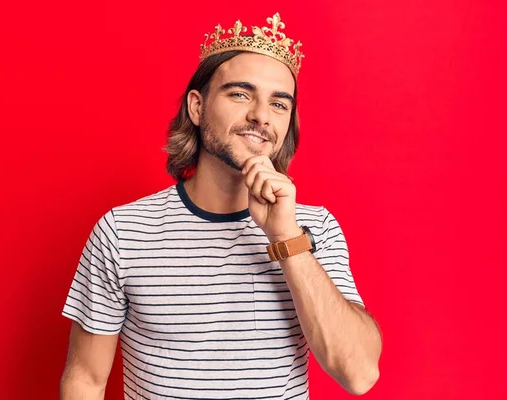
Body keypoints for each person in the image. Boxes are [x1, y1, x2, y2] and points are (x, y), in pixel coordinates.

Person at [59, 12, 381, 400]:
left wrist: (286, 238)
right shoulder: (123, 231)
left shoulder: (314, 228)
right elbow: (86, 380)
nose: (261, 116)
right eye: (240, 94)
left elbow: (359, 373)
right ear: (197, 107)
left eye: (279, 104)